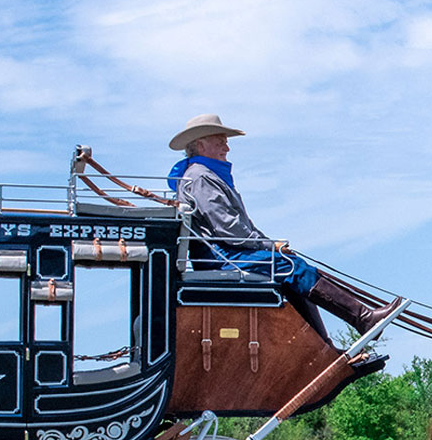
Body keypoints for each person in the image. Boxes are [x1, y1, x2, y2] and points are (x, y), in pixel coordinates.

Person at [168, 113, 396, 338]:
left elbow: (238, 227)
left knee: (293, 269)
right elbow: (230, 230)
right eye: (221, 142)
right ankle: (362, 319)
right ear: (200, 144)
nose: (227, 148)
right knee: (292, 268)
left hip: (229, 253)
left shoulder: (205, 175)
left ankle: (328, 345)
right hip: (223, 258)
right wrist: (270, 246)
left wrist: (270, 246)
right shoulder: (201, 177)